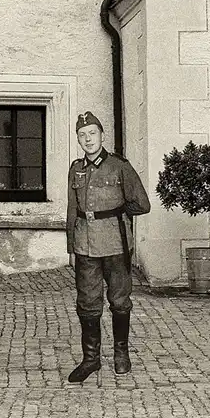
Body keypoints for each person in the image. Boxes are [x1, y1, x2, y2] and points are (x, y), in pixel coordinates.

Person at [66, 111, 151, 383]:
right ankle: (90, 360)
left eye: (92, 133)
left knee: (119, 301)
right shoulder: (76, 168)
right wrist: (71, 247)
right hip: (85, 247)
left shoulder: (119, 166)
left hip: (115, 244)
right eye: (82, 135)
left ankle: (121, 355)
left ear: (102, 136)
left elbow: (142, 203)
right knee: (87, 303)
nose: (88, 139)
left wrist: (118, 213)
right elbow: (72, 211)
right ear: (78, 139)